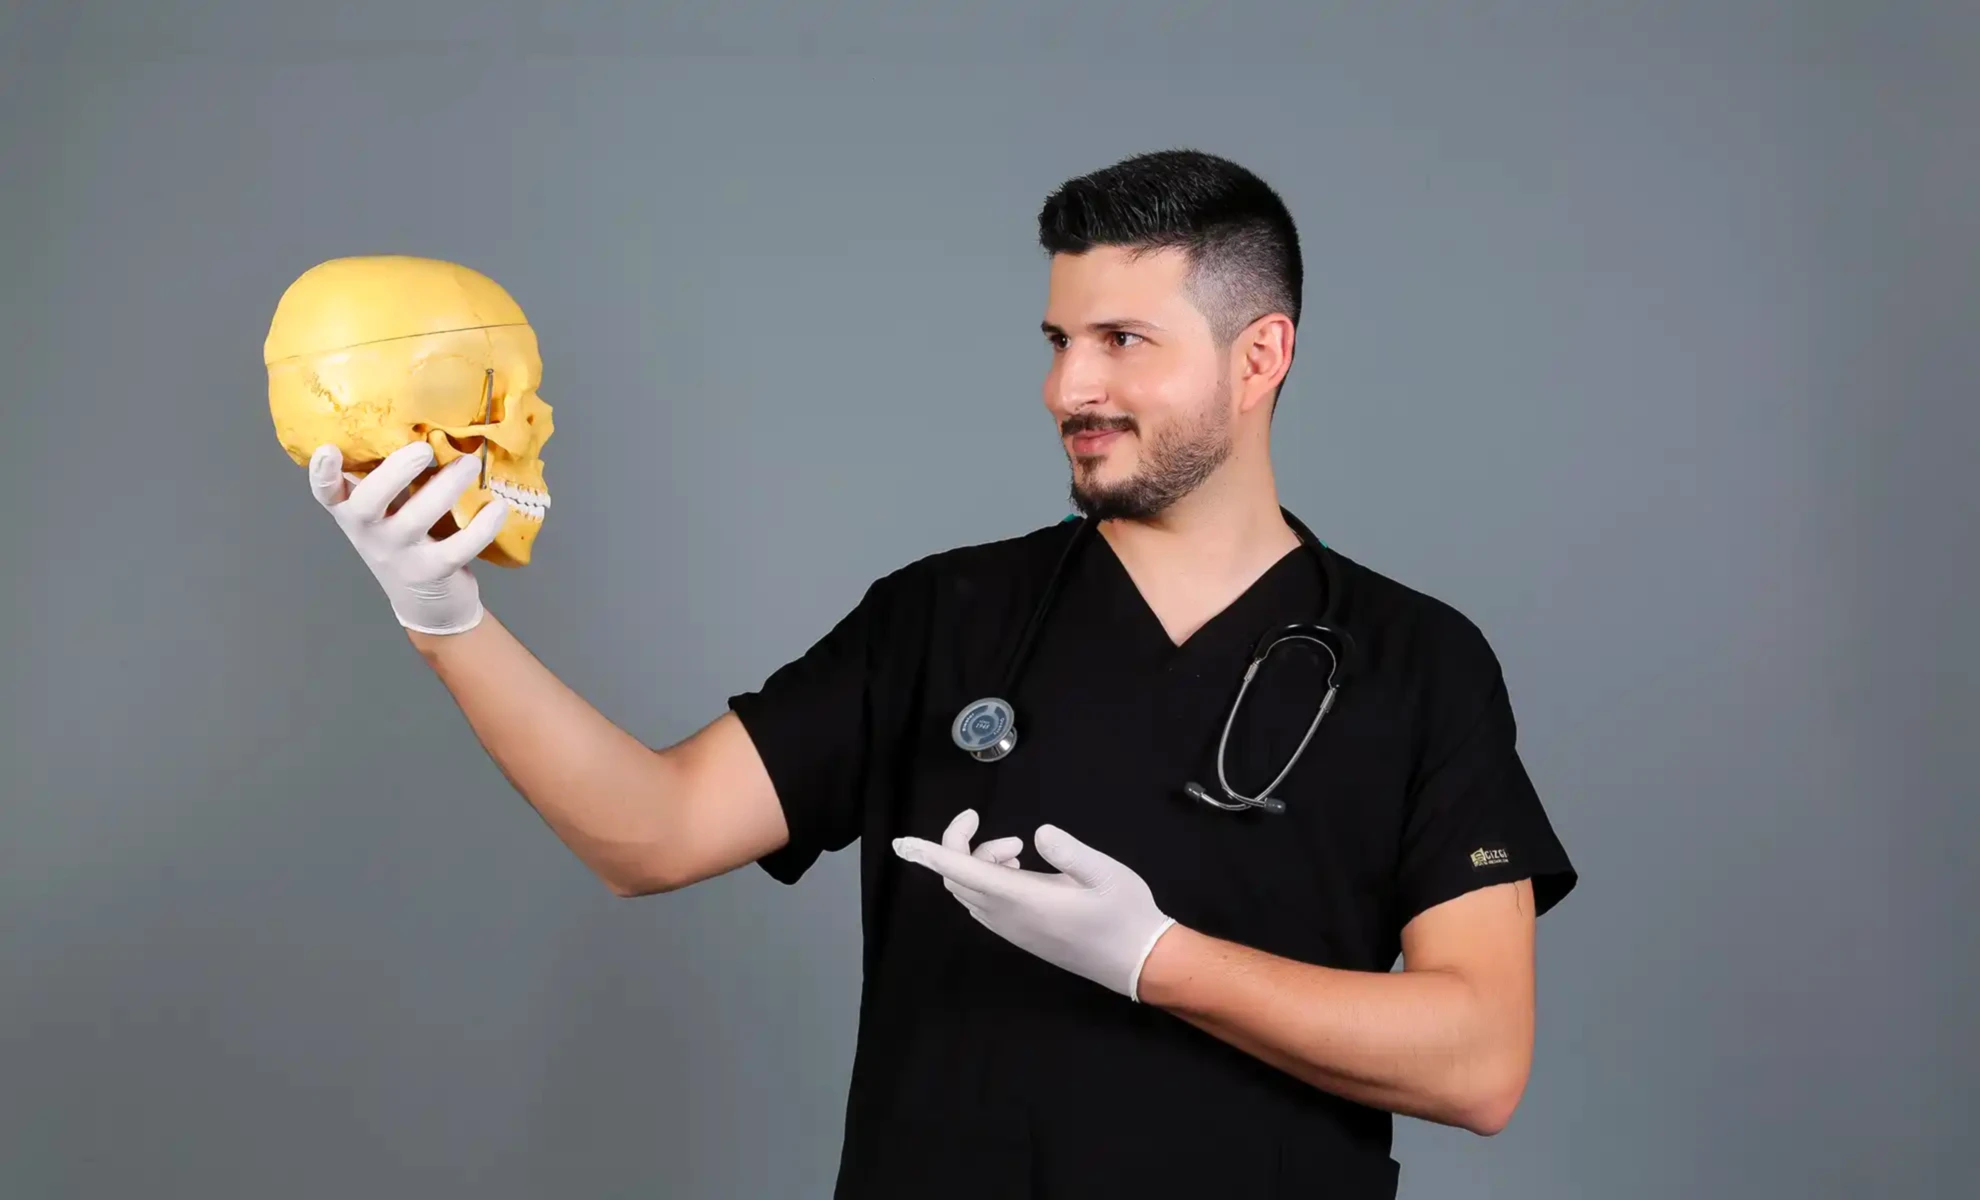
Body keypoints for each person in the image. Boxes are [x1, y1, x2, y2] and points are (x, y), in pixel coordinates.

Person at [304, 148, 1577, 1199]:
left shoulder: (1416, 662)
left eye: (1123, 340)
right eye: (1059, 338)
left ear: (1260, 357)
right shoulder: (943, 619)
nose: (1068, 386)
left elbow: (1480, 1063)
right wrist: (446, 620)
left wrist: (1154, 958)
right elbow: (652, 832)